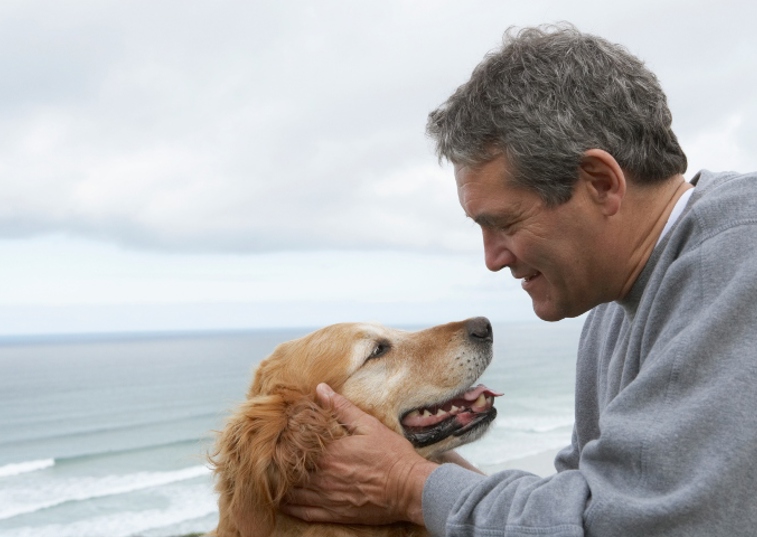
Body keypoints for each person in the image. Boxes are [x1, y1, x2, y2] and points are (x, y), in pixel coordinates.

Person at [282, 24, 757, 536]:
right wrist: (415, 471)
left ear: (601, 184)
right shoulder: (614, 309)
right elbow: (580, 501)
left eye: (505, 224)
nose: (492, 259)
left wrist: (409, 486)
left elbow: (626, 526)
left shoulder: (736, 264)